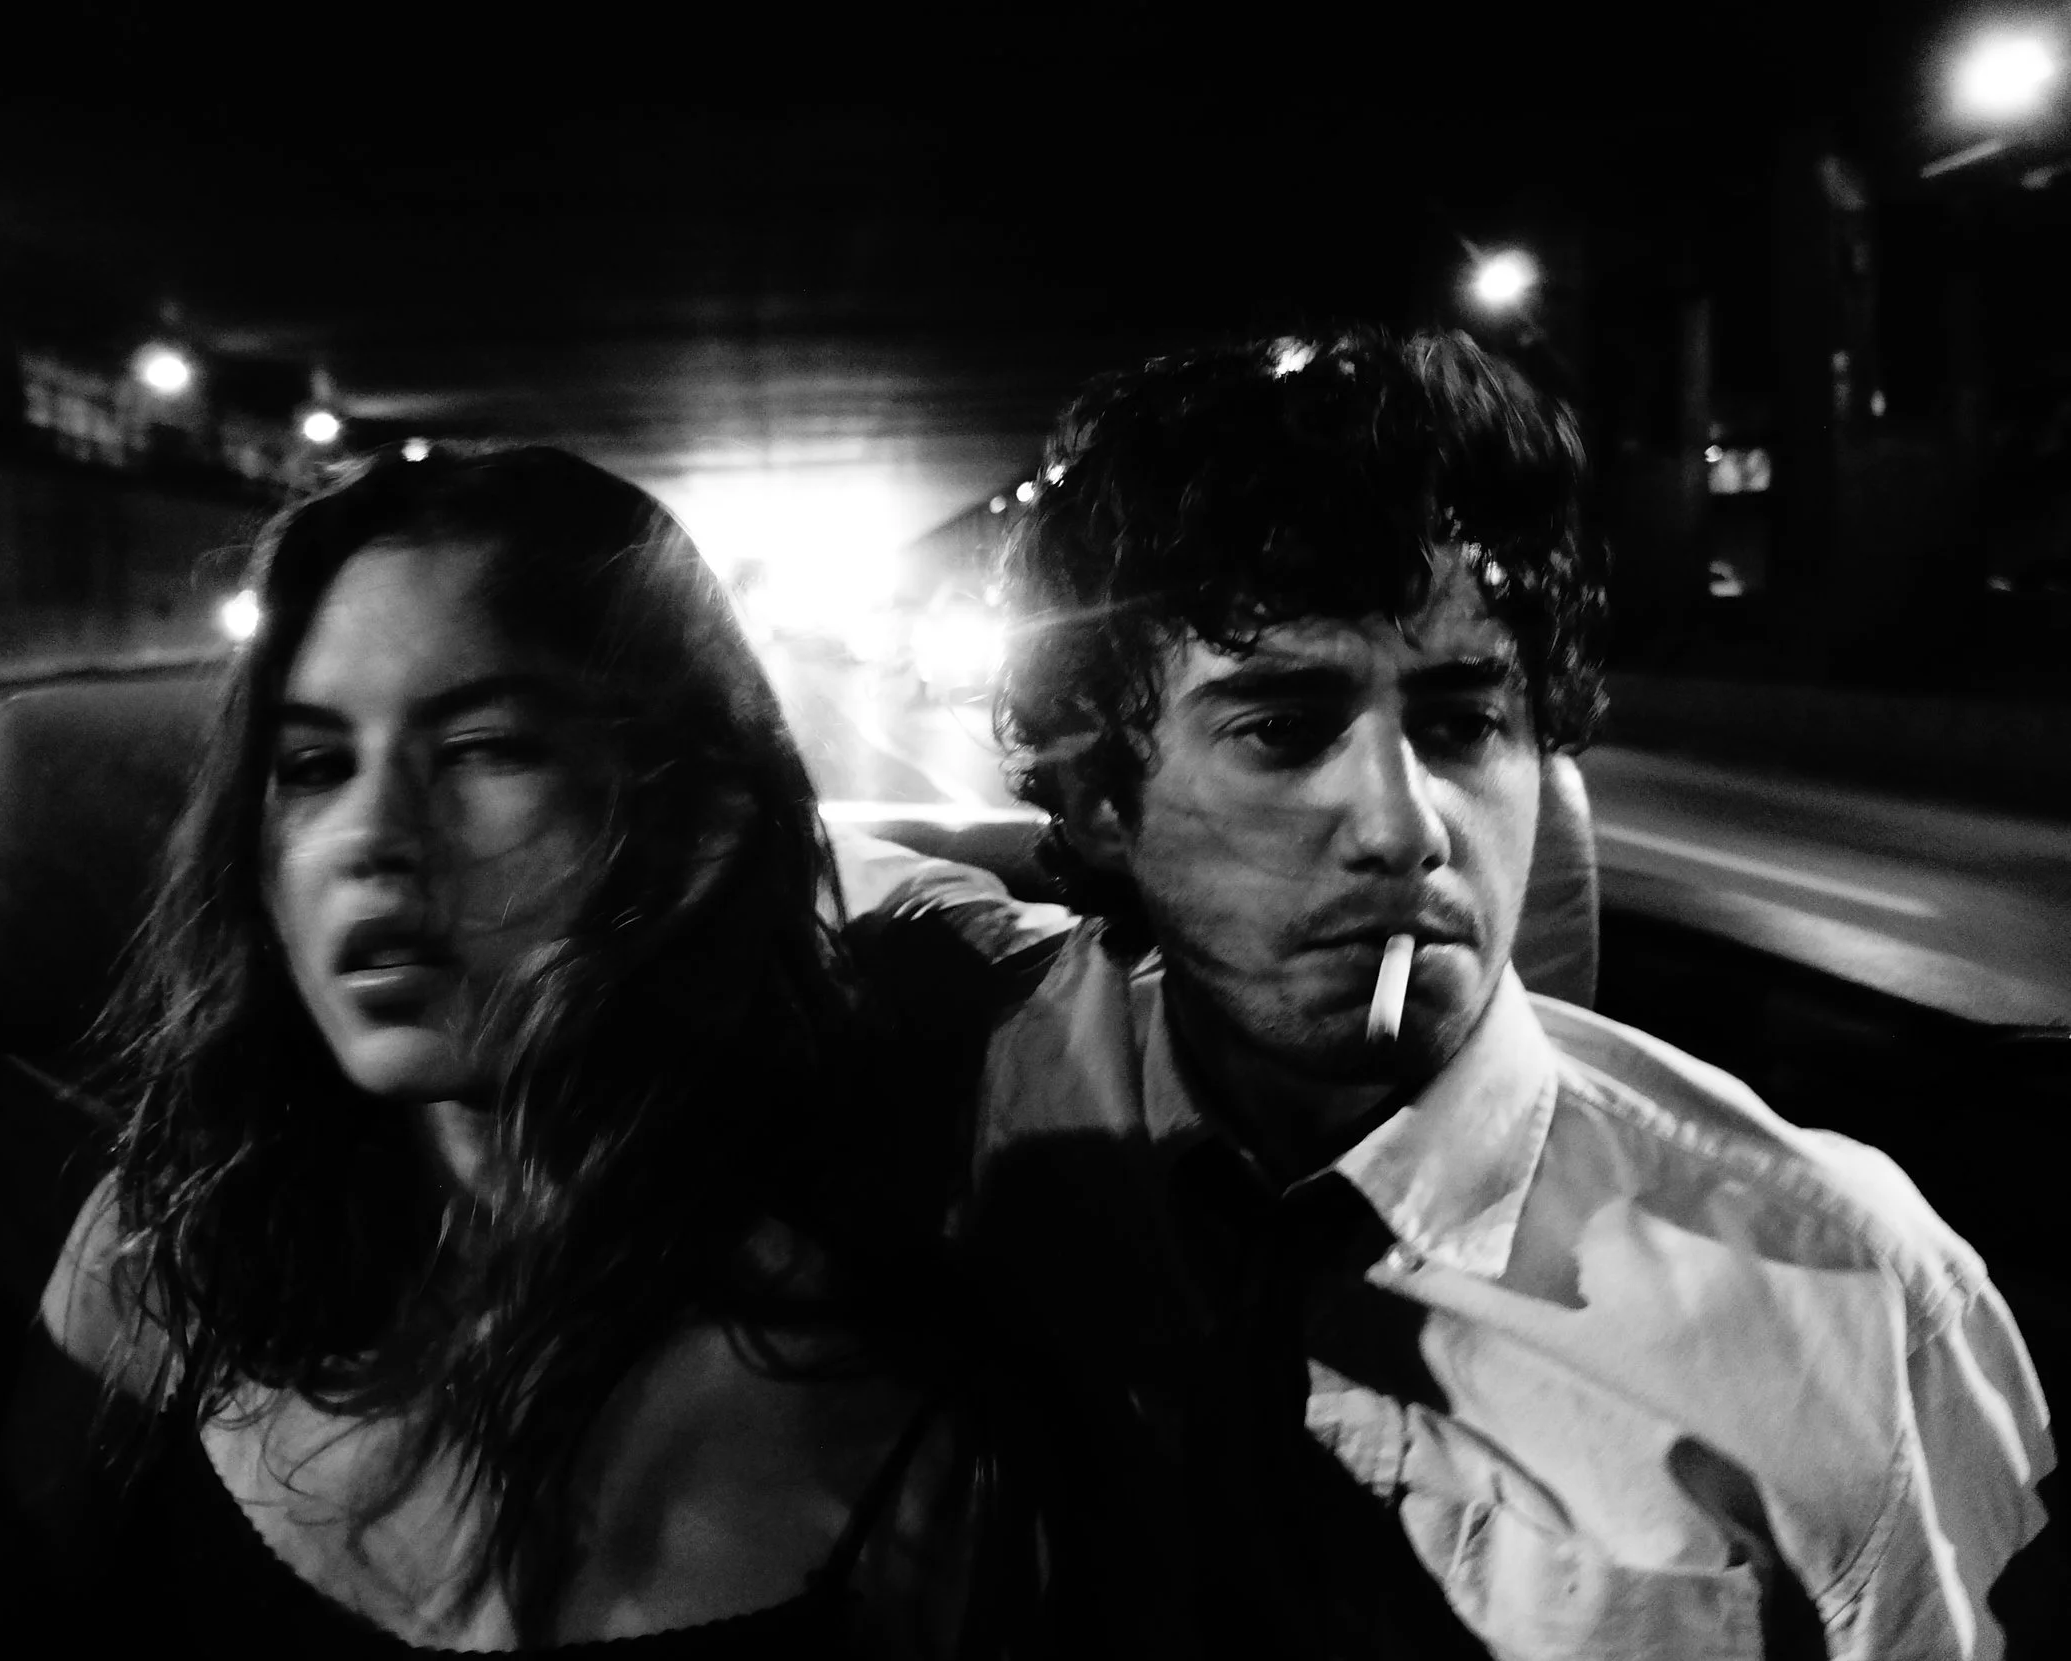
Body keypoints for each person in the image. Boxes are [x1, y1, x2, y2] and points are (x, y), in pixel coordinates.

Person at [841, 329, 2058, 1657]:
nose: (1401, 824)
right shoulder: (994, 1084)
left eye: (1464, 721)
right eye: (1282, 729)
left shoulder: (1842, 1296)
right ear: (1095, 793)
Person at [7, 444, 1053, 1656]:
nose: (372, 834)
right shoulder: (163, 1260)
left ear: (690, 830)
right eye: (310, 767)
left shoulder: (900, 1417)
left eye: (484, 748)